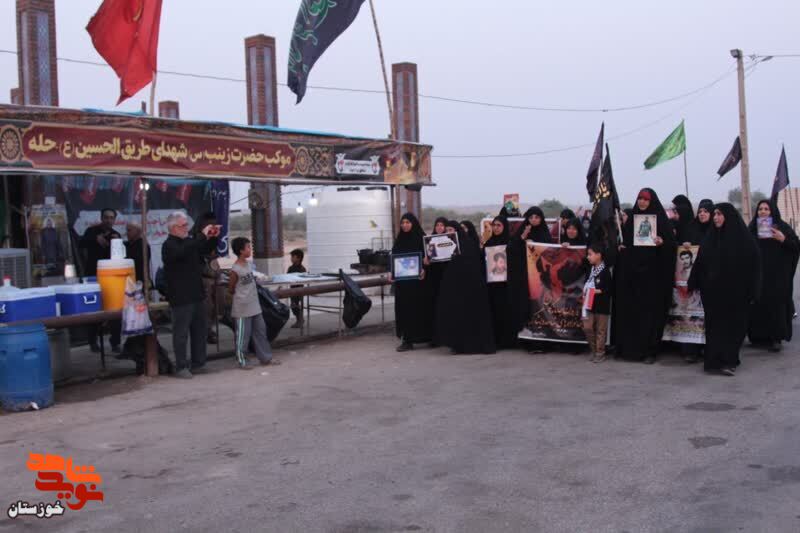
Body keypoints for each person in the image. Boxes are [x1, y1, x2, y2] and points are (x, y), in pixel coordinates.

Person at [689, 203, 761, 376]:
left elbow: (754, 266)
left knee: (733, 327)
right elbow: (700, 262)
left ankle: (729, 360)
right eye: (714, 214)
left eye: (719, 214)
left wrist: (753, 290)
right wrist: (693, 282)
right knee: (714, 327)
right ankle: (713, 361)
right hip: (713, 293)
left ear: (729, 216)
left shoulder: (744, 240)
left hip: (736, 294)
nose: (715, 218)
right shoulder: (710, 238)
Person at [614, 188, 676, 364]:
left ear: (651, 201)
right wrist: (622, 249)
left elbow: (671, 247)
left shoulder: (661, 222)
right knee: (632, 313)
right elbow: (627, 245)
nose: (642, 202)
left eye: (646, 199)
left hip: (653, 279)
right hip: (634, 278)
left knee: (650, 315)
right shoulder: (632, 221)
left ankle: (650, 351)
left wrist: (662, 243)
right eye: (640, 198)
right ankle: (629, 350)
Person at [162, 212, 217, 379]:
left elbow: (204, 249)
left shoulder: (189, 242)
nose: (186, 228)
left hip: (196, 293)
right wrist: (201, 236)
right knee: (181, 333)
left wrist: (212, 237)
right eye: (183, 225)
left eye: (187, 225)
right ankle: (181, 366)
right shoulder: (169, 245)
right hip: (180, 296)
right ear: (173, 227)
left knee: (200, 330)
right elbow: (182, 252)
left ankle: (198, 363)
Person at [434, 222, 495, 354]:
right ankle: (456, 344)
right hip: (453, 286)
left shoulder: (468, 244)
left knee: (469, 315)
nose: (449, 232)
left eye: (451, 229)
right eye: (447, 230)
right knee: (455, 315)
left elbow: (473, 264)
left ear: (457, 231)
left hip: (469, 287)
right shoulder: (443, 244)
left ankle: (472, 345)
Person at [747, 199, 799, 352]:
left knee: (776, 305)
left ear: (772, 211)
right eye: (760, 209)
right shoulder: (752, 228)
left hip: (777, 276)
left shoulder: (782, 227)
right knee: (757, 304)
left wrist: (783, 239)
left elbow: (796, 246)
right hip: (758, 275)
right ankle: (758, 336)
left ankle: (776, 338)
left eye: (766, 209)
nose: (763, 212)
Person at [507, 206, 553, 349]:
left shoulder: (545, 234)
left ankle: (542, 342)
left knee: (539, 307)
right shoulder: (523, 231)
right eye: (531, 217)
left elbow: (551, 253)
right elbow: (511, 250)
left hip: (539, 279)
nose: (533, 220)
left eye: (537, 217)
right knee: (525, 307)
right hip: (523, 278)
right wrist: (523, 237)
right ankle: (526, 341)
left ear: (541, 219)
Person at [228, 237, 278, 368]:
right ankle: (242, 360)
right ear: (241, 250)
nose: (250, 249)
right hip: (242, 308)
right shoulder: (235, 269)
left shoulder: (249, 264)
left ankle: (265, 358)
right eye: (248, 247)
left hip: (255, 305)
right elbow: (231, 288)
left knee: (260, 332)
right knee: (243, 336)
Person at [79, 208, 122, 353]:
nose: (109, 220)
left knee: (115, 310)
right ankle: (93, 341)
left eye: (111, 218)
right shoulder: (91, 231)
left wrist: (114, 242)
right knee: (94, 310)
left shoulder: (116, 235)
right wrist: (95, 239)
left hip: (111, 279)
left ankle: (115, 342)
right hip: (94, 277)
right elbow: (81, 244)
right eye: (106, 217)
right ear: (101, 218)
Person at [391, 213, 432, 351]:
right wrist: (392, 272)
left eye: (408, 222)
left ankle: (426, 337)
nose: (405, 225)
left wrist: (425, 267)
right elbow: (394, 259)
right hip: (403, 284)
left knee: (420, 309)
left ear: (413, 223)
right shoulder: (399, 241)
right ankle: (407, 340)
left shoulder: (422, 239)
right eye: (402, 223)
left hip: (418, 283)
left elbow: (429, 258)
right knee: (405, 310)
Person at [484, 216, 516, 349]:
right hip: (493, 285)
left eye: (499, 225)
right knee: (495, 311)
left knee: (506, 311)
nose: (496, 228)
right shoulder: (489, 243)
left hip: (507, 285)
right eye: (494, 225)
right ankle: (497, 340)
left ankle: (509, 341)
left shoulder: (510, 243)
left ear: (504, 227)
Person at [191, 213, 222, 344]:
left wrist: (214, 238)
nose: (212, 226)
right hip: (202, 280)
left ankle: (210, 328)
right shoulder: (196, 239)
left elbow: (213, 254)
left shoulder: (211, 238)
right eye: (210, 224)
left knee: (218, 304)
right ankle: (206, 331)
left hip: (213, 276)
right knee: (207, 306)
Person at [582, 243, 612, 363]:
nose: (588, 257)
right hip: (589, 303)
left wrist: (597, 291)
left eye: (590, 254)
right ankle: (593, 349)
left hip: (602, 306)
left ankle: (600, 352)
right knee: (587, 327)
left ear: (598, 255)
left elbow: (609, 289)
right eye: (588, 254)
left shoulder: (605, 271)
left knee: (600, 330)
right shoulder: (590, 270)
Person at [425, 217, 450, 343]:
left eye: (442, 225)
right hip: (435, 278)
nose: (439, 228)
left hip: (447, 277)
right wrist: (427, 261)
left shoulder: (451, 240)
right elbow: (430, 257)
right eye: (437, 225)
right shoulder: (431, 241)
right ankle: (436, 337)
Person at [287, 249, 307, 328]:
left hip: (299, 291)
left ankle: (300, 320)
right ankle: (299, 319)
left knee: (297, 305)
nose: (291, 258)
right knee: (293, 306)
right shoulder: (290, 268)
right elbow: (286, 278)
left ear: (298, 258)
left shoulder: (302, 269)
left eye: (293, 257)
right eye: (291, 257)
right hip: (292, 290)